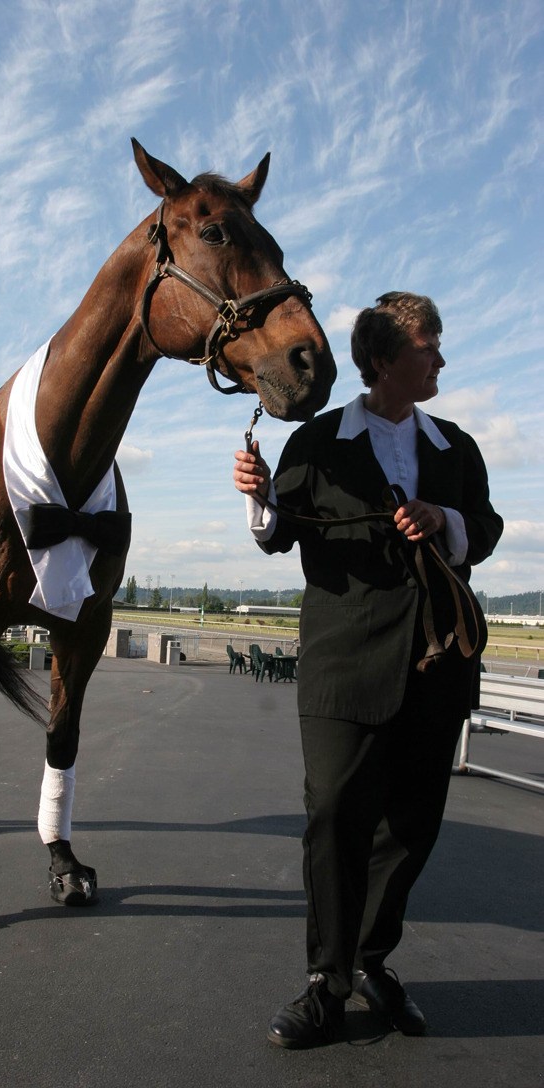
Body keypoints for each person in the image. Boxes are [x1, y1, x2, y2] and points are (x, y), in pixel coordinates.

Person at [233, 291, 503, 1049]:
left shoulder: (455, 445)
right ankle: (325, 982)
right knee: (332, 819)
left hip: (435, 664)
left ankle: (371, 961)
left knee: (412, 827)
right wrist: (258, 500)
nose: (440, 360)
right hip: (342, 664)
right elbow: (277, 535)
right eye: (428, 348)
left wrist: (443, 519)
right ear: (382, 359)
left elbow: (484, 527)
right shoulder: (316, 443)